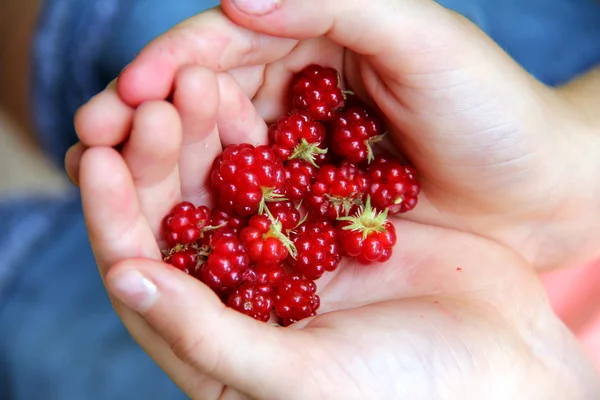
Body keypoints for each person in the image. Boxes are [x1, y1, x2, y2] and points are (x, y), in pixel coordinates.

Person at [1, 0, 599, 399]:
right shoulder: (318, 172)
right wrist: (569, 168)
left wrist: (536, 382)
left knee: (37, 321)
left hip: (472, 343)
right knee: (141, 41)